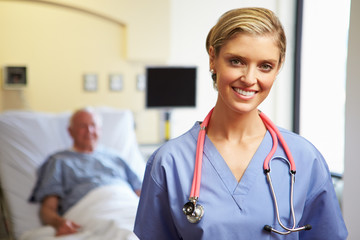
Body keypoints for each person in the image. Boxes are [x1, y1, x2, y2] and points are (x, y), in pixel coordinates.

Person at [133, 7, 348, 239]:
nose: (249, 78)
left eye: (265, 66)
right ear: (212, 58)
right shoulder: (170, 162)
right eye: (236, 61)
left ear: (278, 67)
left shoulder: (304, 159)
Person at [29, 107, 142, 236]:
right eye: (82, 126)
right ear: (70, 131)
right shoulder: (59, 161)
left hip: (126, 202)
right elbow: (47, 209)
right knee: (125, 231)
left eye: (93, 125)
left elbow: (140, 193)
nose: (89, 131)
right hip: (91, 208)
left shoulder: (115, 157)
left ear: (100, 129)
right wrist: (59, 223)